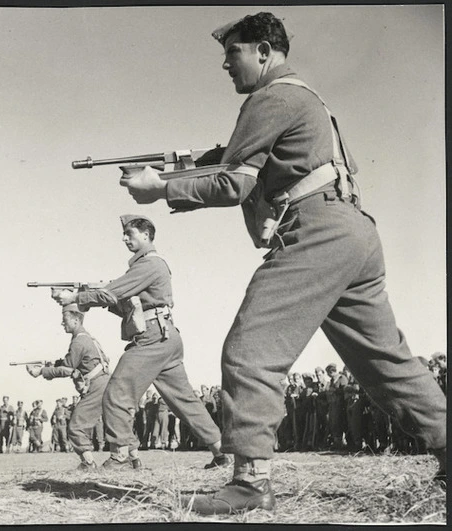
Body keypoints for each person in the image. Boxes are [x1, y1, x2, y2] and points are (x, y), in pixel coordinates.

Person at [118, 12, 447, 512]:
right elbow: (234, 159)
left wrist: (160, 187)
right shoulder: (304, 98)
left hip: (317, 232)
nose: (226, 64)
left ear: (264, 51)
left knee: (250, 348)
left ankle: (250, 483)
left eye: (233, 53)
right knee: (385, 362)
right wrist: (178, 169)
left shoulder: (271, 96)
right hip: (353, 231)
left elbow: (235, 181)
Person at [53, 215, 230, 470]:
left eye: (130, 234)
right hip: (164, 336)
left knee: (116, 392)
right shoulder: (148, 266)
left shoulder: (148, 265)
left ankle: (122, 456)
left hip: (152, 338)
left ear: (146, 235)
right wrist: (89, 296)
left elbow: (110, 293)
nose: (125, 239)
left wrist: (78, 297)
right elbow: (124, 304)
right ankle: (221, 452)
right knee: (184, 399)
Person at [27, 303, 112, 470]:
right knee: (116, 422)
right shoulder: (88, 338)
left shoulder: (78, 342)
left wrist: (41, 371)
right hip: (105, 383)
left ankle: (88, 463)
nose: (62, 323)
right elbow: (75, 363)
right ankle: (133, 459)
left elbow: (67, 369)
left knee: (75, 426)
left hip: (96, 386)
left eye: (65, 320)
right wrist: (55, 364)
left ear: (76, 320)